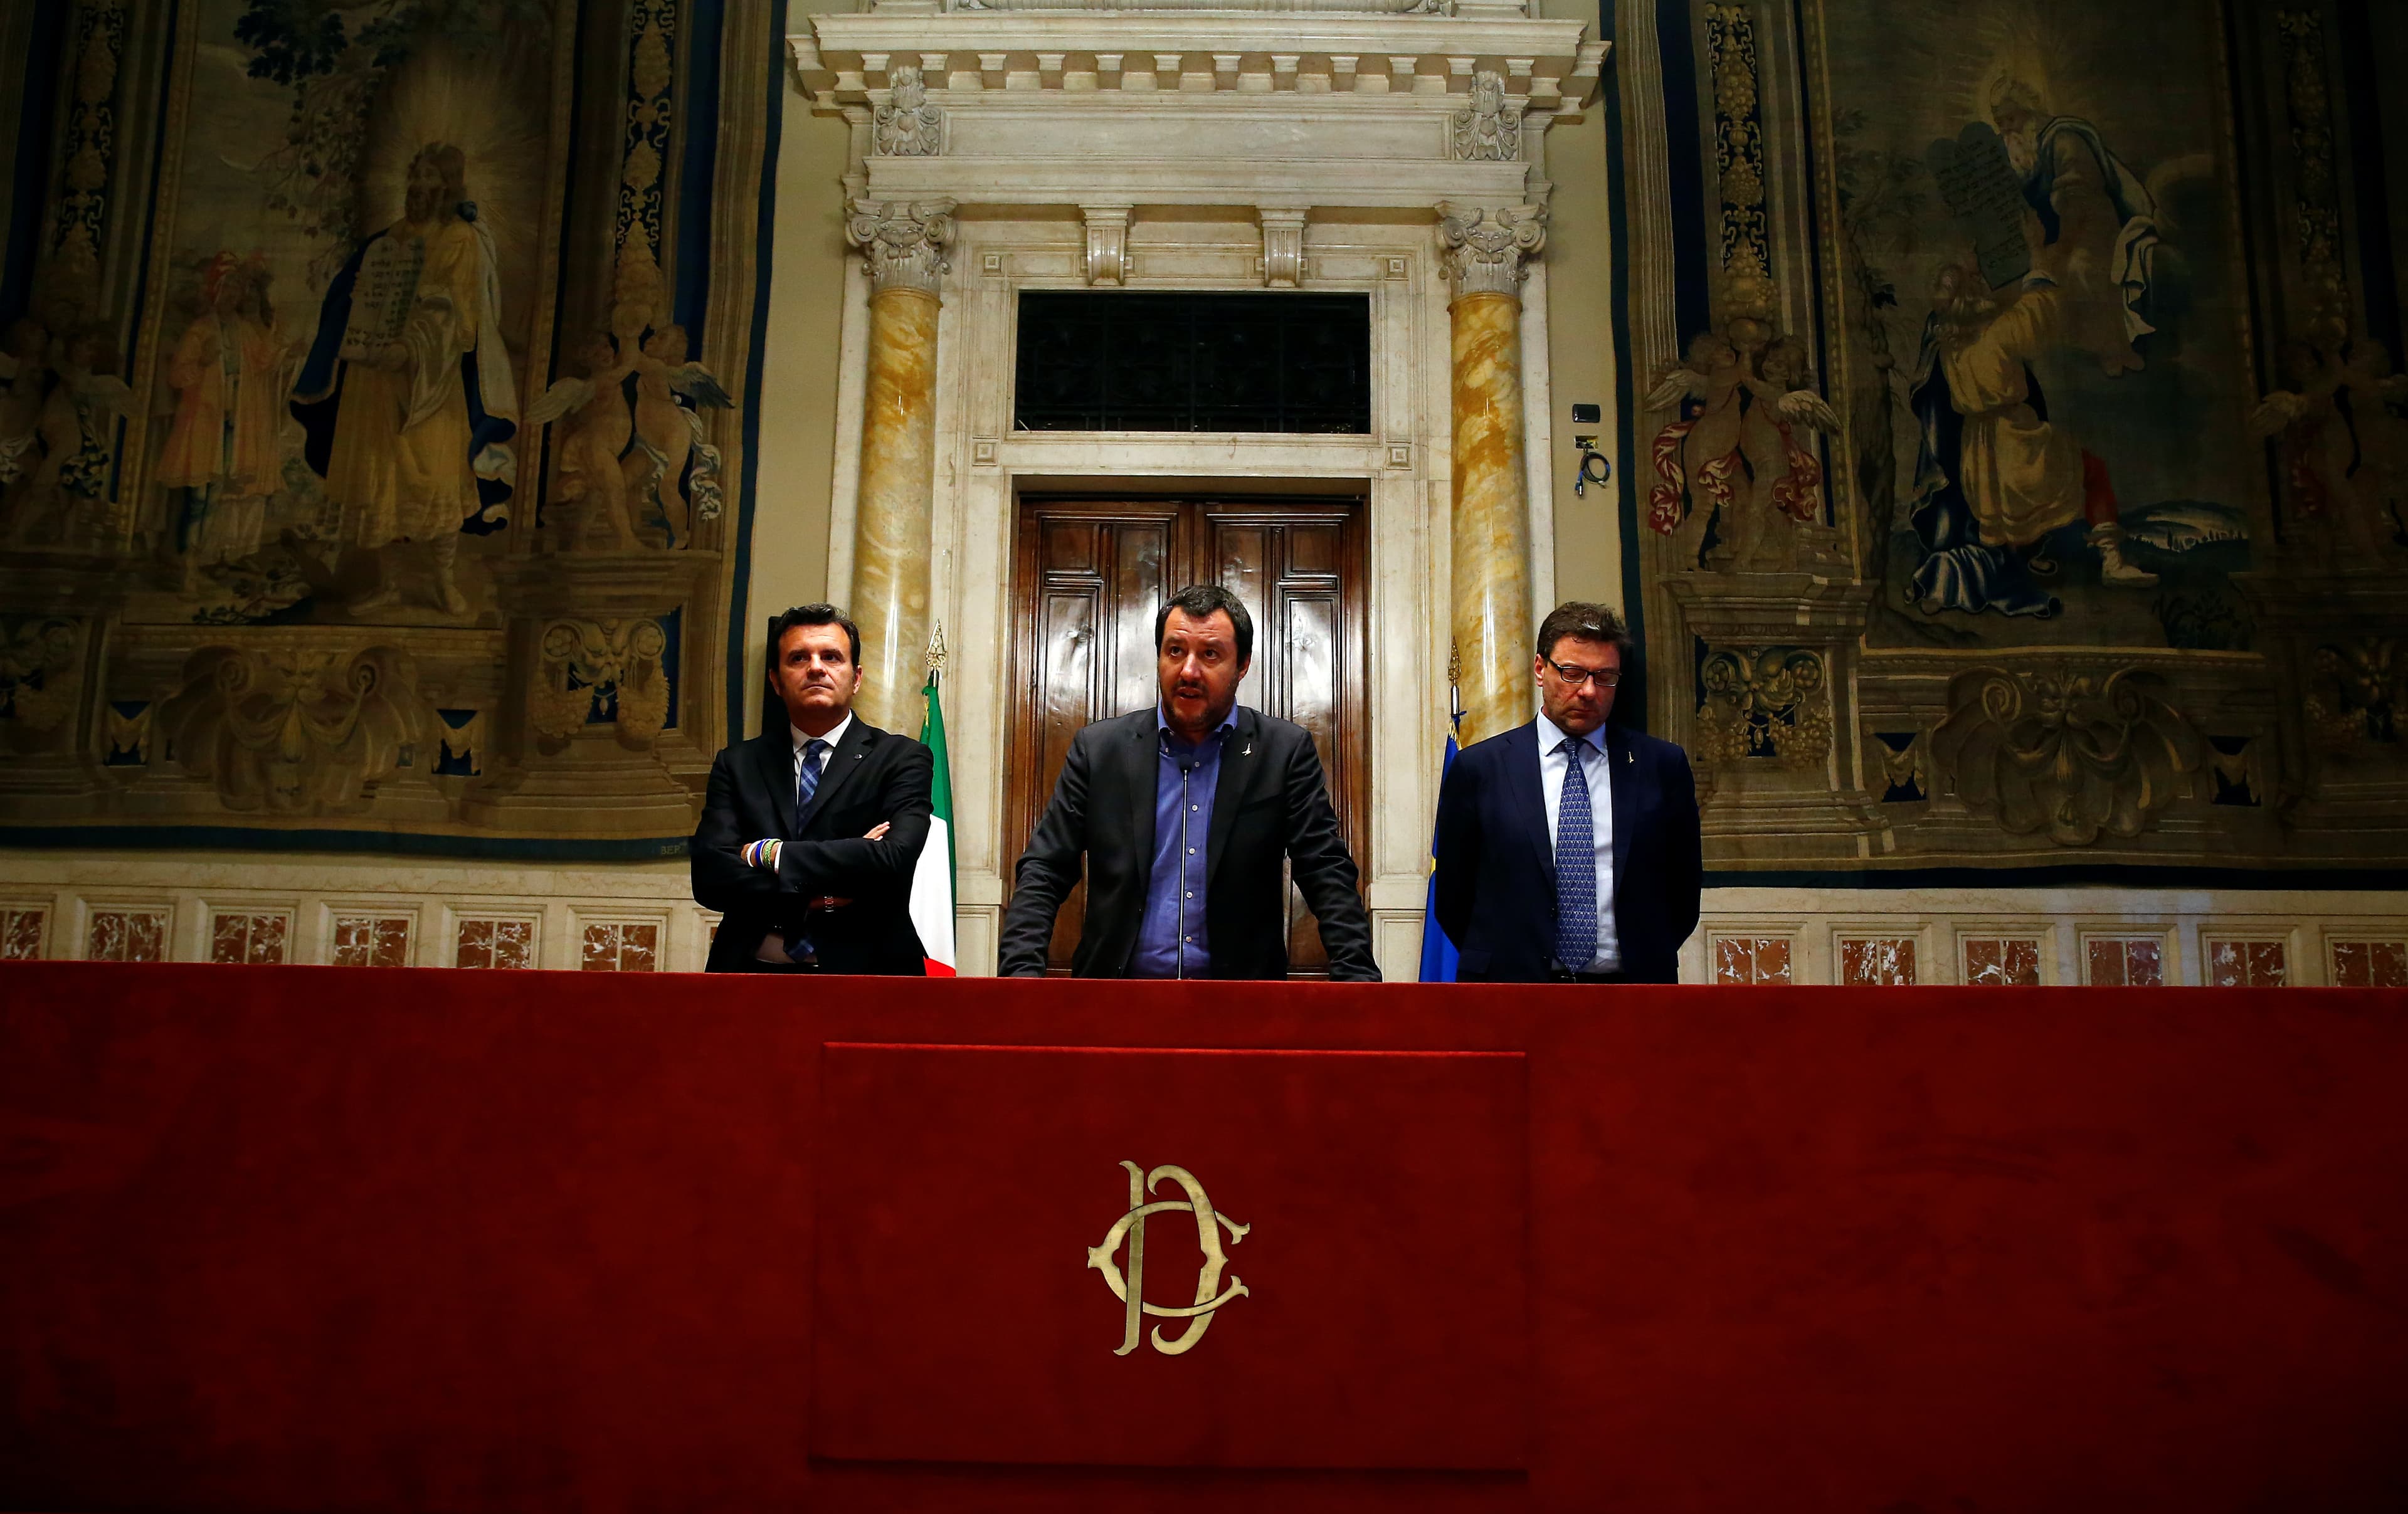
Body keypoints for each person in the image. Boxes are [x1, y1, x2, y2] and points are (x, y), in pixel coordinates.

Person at [998, 583, 1380, 982]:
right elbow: (1046, 868)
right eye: (1175, 651)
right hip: (1116, 1002)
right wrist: (1020, 977)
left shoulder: (1282, 752)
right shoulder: (1100, 751)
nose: (1189, 671)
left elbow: (1324, 869)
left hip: (1241, 1006)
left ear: (1243, 664)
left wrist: (1356, 976)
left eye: (1210, 654)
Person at [290, 142, 519, 616]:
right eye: (415, 175)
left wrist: (410, 347)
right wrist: (359, 307)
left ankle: (443, 581)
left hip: (428, 383)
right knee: (381, 488)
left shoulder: (458, 240)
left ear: (448, 185)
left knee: (433, 479)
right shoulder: (389, 238)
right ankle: (388, 583)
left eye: (430, 177)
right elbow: (364, 297)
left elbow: (458, 314)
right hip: (374, 381)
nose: (418, 185)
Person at [1431, 601, 1701, 985]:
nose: (1589, 691)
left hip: (1632, 994)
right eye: (1573, 673)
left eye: (1605, 677)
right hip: (1511, 992)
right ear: (1541, 670)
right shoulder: (1480, 769)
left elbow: (1683, 891)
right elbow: (1454, 898)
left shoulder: (1661, 766)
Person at [692, 604, 932, 974]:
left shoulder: (902, 758)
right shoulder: (738, 764)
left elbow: (893, 859)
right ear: (776, 681)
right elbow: (710, 878)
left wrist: (771, 854)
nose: (816, 667)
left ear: (856, 678)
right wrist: (822, 894)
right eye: (799, 658)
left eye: (832, 657)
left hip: (869, 975)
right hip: (748, 975)